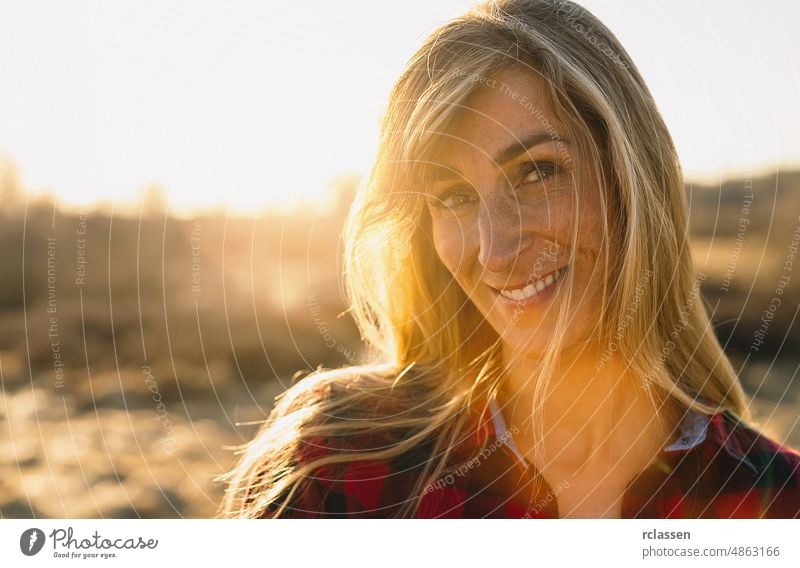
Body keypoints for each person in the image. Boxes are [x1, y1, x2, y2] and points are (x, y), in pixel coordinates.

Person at [219, 0, 800, 518]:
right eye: (452, 197)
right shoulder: (337, 459)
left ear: (632, 179)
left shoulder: (778, 502)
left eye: (537, 172)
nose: (494, 250)